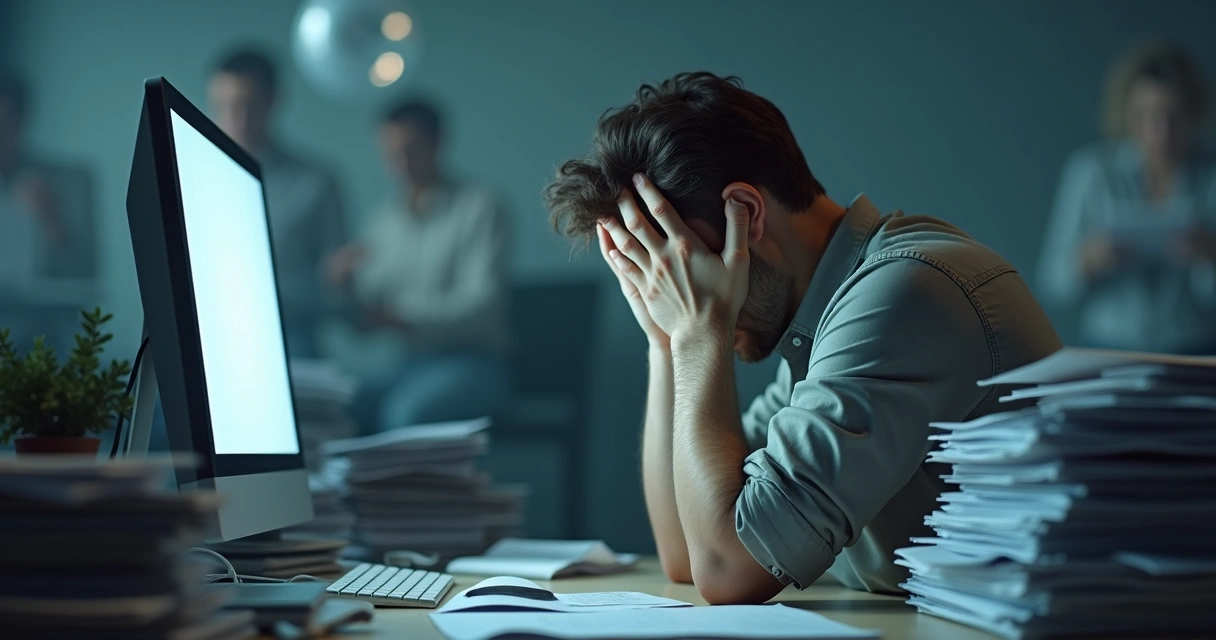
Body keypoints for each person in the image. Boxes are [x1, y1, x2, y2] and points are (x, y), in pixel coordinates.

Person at [543, 72, 1061, 604]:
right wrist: (667, 340)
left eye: (682, 266)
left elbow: (728, 566)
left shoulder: (903, 293)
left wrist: (699, 333)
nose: (679, 292)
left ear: (745, 212)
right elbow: (685, 549)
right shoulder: (817, 327)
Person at [322, 99, 510, 432]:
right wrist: (343, 286)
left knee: (406, 414)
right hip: (408, 364)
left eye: (411, 150)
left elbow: (481, 309)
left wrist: (399, 317)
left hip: (474, 363)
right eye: (391, 154)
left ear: (439, 142)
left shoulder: (480, 207)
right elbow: (369, 316)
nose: (401, 165)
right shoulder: (383, 220)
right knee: (333, 413)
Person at [1038, 43, 1216, 354]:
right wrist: (1089, 261)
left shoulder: (1211, 176)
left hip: (1196, 348)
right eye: (1145, 115)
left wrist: (1209, 256)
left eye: (1173, 115)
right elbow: (1053, 281)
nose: (1160, 131)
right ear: (1126, 113)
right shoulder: (1091, 172)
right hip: (1109, 348)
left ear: (1194, 112)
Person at [207, 47, 347, 358]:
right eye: (226, 106)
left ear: (273, 100)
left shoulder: (315, 182)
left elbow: (336, 290)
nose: (238, 119)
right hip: (210, 330)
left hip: (288, 333)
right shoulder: (193, 177)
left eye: (248, 106)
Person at [0, 69, 97, 352]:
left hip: (47, 343)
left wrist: (53, 219)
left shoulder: (69, 183)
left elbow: (86, 278)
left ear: (22, 121)